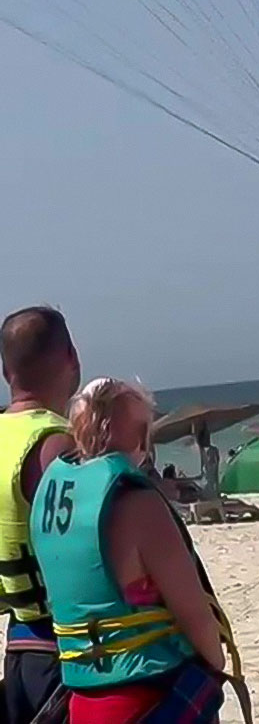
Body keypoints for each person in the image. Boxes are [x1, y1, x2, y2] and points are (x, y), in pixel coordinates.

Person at [29, 378, 244, 724]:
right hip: (148, 697)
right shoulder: (138, 503)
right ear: (141, 437)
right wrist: (215, 664)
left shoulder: (51, 498)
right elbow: (195, 615)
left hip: (81, 698)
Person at [0, 306, 80, 724]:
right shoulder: (57, 444)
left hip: (18, 647)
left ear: (5, 371)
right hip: (69, 651)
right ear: (72, 358)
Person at [194, 422, 220, 500]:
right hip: (206, 486)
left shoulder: (213, 450)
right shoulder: (202, 451)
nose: (208, 439)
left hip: (209, 486)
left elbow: (216, 470)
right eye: (206, 437)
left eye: (208, 437)